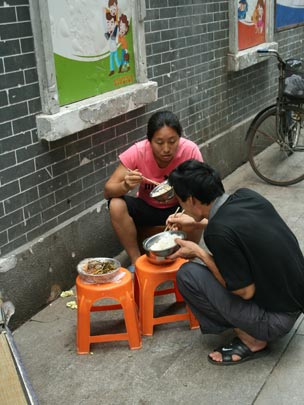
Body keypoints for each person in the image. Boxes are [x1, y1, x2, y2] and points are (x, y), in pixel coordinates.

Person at [166, 159, 304, 366]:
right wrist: (197, 221)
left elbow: (244, 292)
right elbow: (232, 225)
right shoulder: (247, 196)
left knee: (188, 275)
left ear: (192, 200)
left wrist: (200, 254)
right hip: (294, 301)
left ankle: (253, 339)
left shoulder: (217, 233)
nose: (181, 207)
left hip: (274, 321)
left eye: (181, 202)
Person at [104, 111, 203, 272]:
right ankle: (137, 262)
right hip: (148, 208)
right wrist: (125, 185)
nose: (166, 149)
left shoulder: (190, 151)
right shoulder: (138, 152)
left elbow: (204, 190)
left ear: (180, 138)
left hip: (179, 209)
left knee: (198, 204)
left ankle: (187, 257)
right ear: (149, 141)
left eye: (172, 141)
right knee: (115, 204)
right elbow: (108, 190)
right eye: (159, 142)